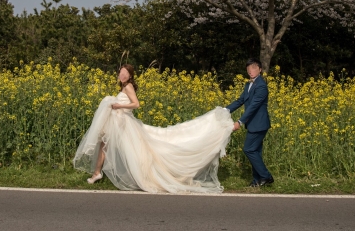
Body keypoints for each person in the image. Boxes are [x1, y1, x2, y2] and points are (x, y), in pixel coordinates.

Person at [73, 64, 234, 193]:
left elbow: (136, 104)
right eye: (120, 72)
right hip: (120, 122)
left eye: (125, 73)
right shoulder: (123, 87)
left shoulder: (128, 86)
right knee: (105, 143)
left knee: (130, 150)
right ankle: (98, 173)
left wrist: (117, 105)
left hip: (124, 124)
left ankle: (140, 175)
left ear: (130, 76)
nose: (122, 75)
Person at [226, 58, 274, 187]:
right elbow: (240, 100)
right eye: (248, 69)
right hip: (253, 124)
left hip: (259, 124)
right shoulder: (249, 84)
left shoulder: (262, 86)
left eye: (253, 68)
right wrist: (225, 110)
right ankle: (257, 181)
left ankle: (266, 176)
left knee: (248, 149)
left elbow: (253, 106)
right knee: (255, 151)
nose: (250, 71)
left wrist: (240, 122)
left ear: (260, 69)